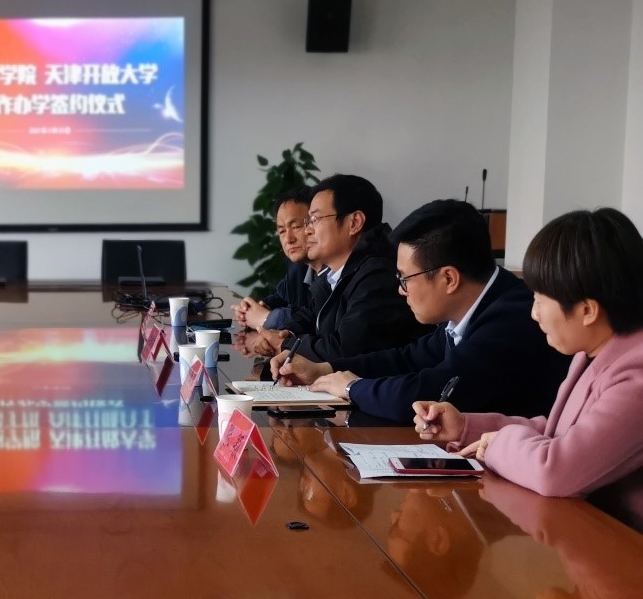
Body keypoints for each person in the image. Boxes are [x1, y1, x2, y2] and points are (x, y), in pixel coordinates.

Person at [415, 208, 643, 531]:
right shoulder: (593, 352)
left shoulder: (636, 376)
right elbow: (557, 433)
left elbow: (557, 470)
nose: (534, 314)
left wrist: (496, 445)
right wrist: (466, 426)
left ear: (587, 310)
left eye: (540, 300)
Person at [272, 199, 569, 421]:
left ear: (448, 278)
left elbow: (428, 392)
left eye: (405, 278)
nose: (401, 290)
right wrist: (324, 370)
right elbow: (408, 358)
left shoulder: (511, 320)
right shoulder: (474, 307)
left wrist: (352, 388)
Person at [253, 174, 428, 362]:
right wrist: (284, 333)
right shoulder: (337, 272)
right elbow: (312, 315)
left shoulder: (379, 273)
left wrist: (284, 344)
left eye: (315, 219)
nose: (308, 230)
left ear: (354, 223)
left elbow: (345, 350)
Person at [232, 186, 319, 331]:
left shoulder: (334, 268)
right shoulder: (297, 265)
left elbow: (317, 322)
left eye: (296, 227)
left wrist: (266, 318)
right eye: (282, 231)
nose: (288, 239)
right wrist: (254, 308)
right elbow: (281, 296)